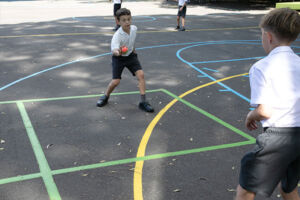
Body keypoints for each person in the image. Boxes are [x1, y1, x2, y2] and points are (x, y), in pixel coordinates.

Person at [235, 8, 300, 200]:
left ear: (269, 36)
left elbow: (265, 110)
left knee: (246, 190)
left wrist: (251, 115)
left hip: (279, 137)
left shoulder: (261, 67)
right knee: (288, 187)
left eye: (262, 35)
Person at [97, 8, 154, 113]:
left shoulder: (134, 29)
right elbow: (114, 50)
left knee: (141, 75)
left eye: (129, 19)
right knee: (116, 81)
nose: (127, 22)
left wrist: (133, 50)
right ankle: (105, 96)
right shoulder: (117, 36)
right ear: (118, 22)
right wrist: (119, 52)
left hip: (131, 56)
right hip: (119, 58)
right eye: (124, 20)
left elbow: (131, 41)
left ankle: (143, 102)